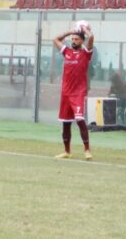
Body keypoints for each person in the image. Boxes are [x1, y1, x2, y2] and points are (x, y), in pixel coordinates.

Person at [52, 24, 95, 161]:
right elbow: (55, 39)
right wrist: (69, 31)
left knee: (80, 120)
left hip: (78, 93)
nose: (74, 41)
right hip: (66, 93)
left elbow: (91, 37)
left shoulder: (86, 54)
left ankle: (87, 150)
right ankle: (67, 151)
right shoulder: (67, 52)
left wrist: (85, 29)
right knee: (66, 122)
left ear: (82, 41)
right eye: (73, 39)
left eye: (76, 39)